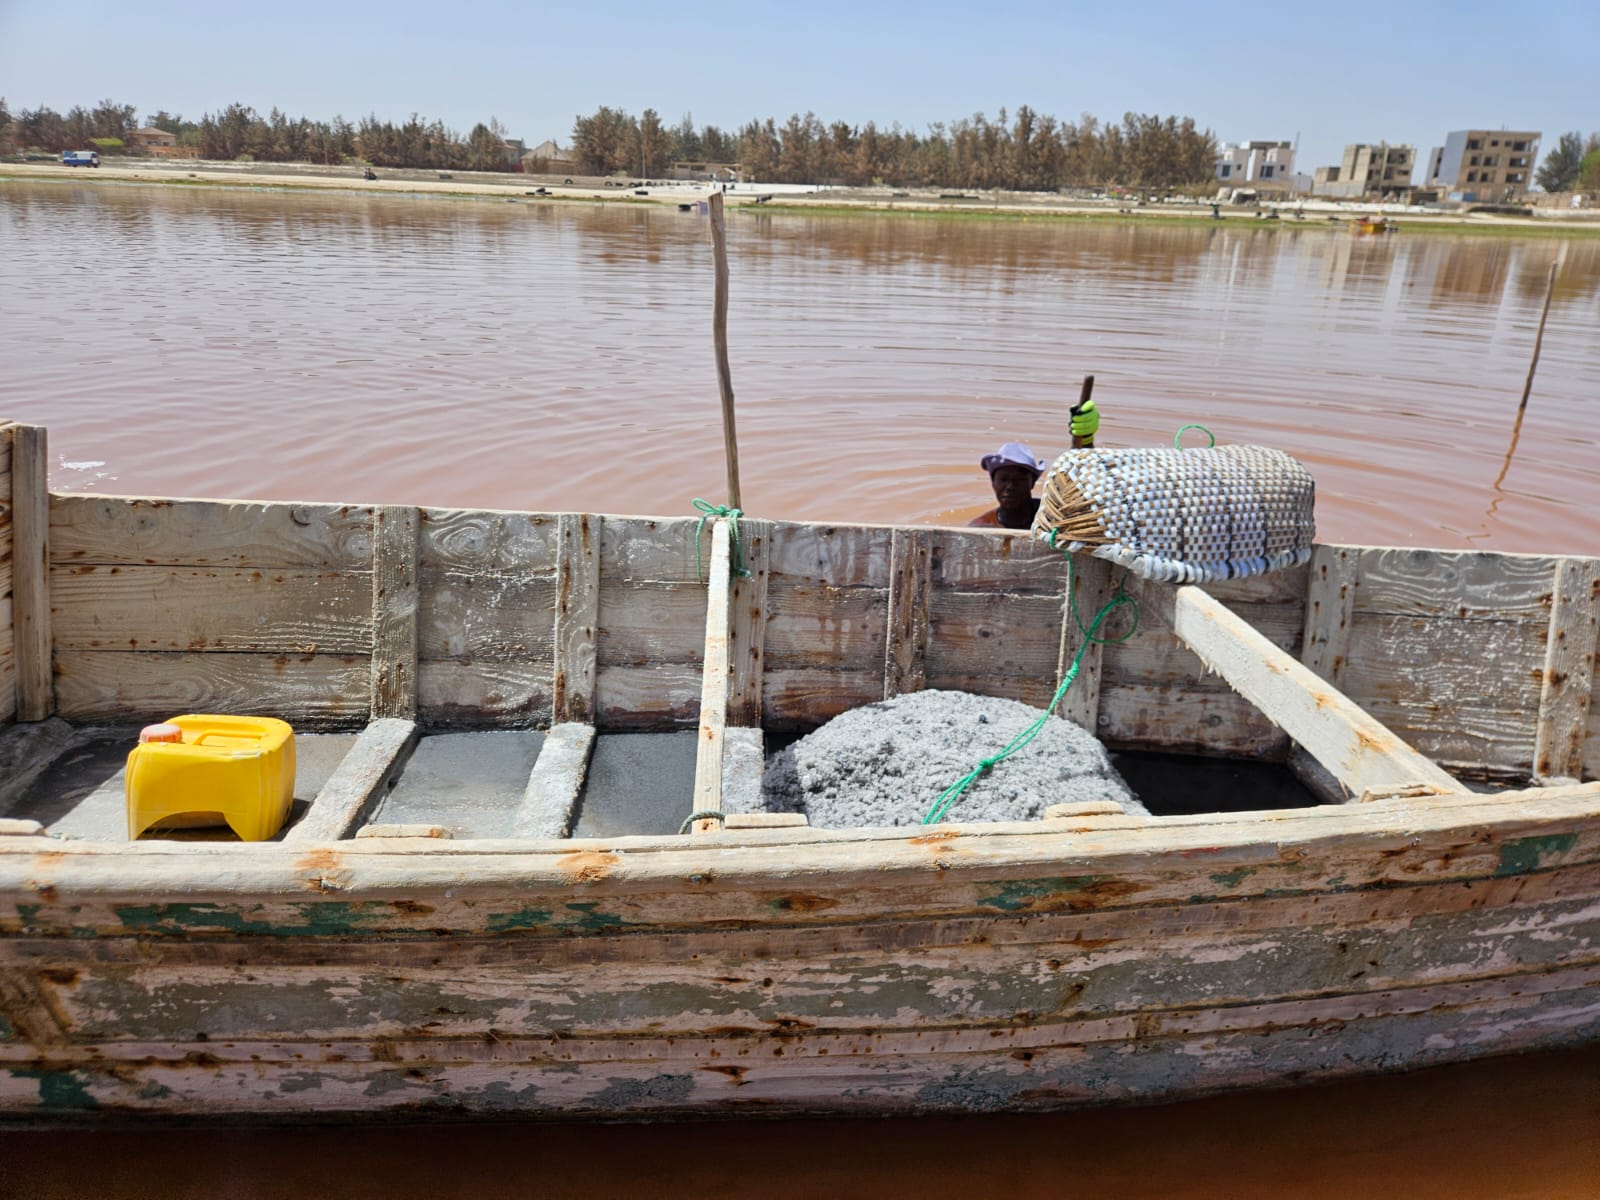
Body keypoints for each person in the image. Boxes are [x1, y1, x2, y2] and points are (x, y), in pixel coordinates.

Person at [968, 402, 1100, 530]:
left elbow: (1082, 494)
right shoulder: (982, 526)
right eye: (1003, 480)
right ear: (993, 483)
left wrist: (1086, 441)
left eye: (1019, 480)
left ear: (1032, 483)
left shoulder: (1052, 516)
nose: (1010, 487)